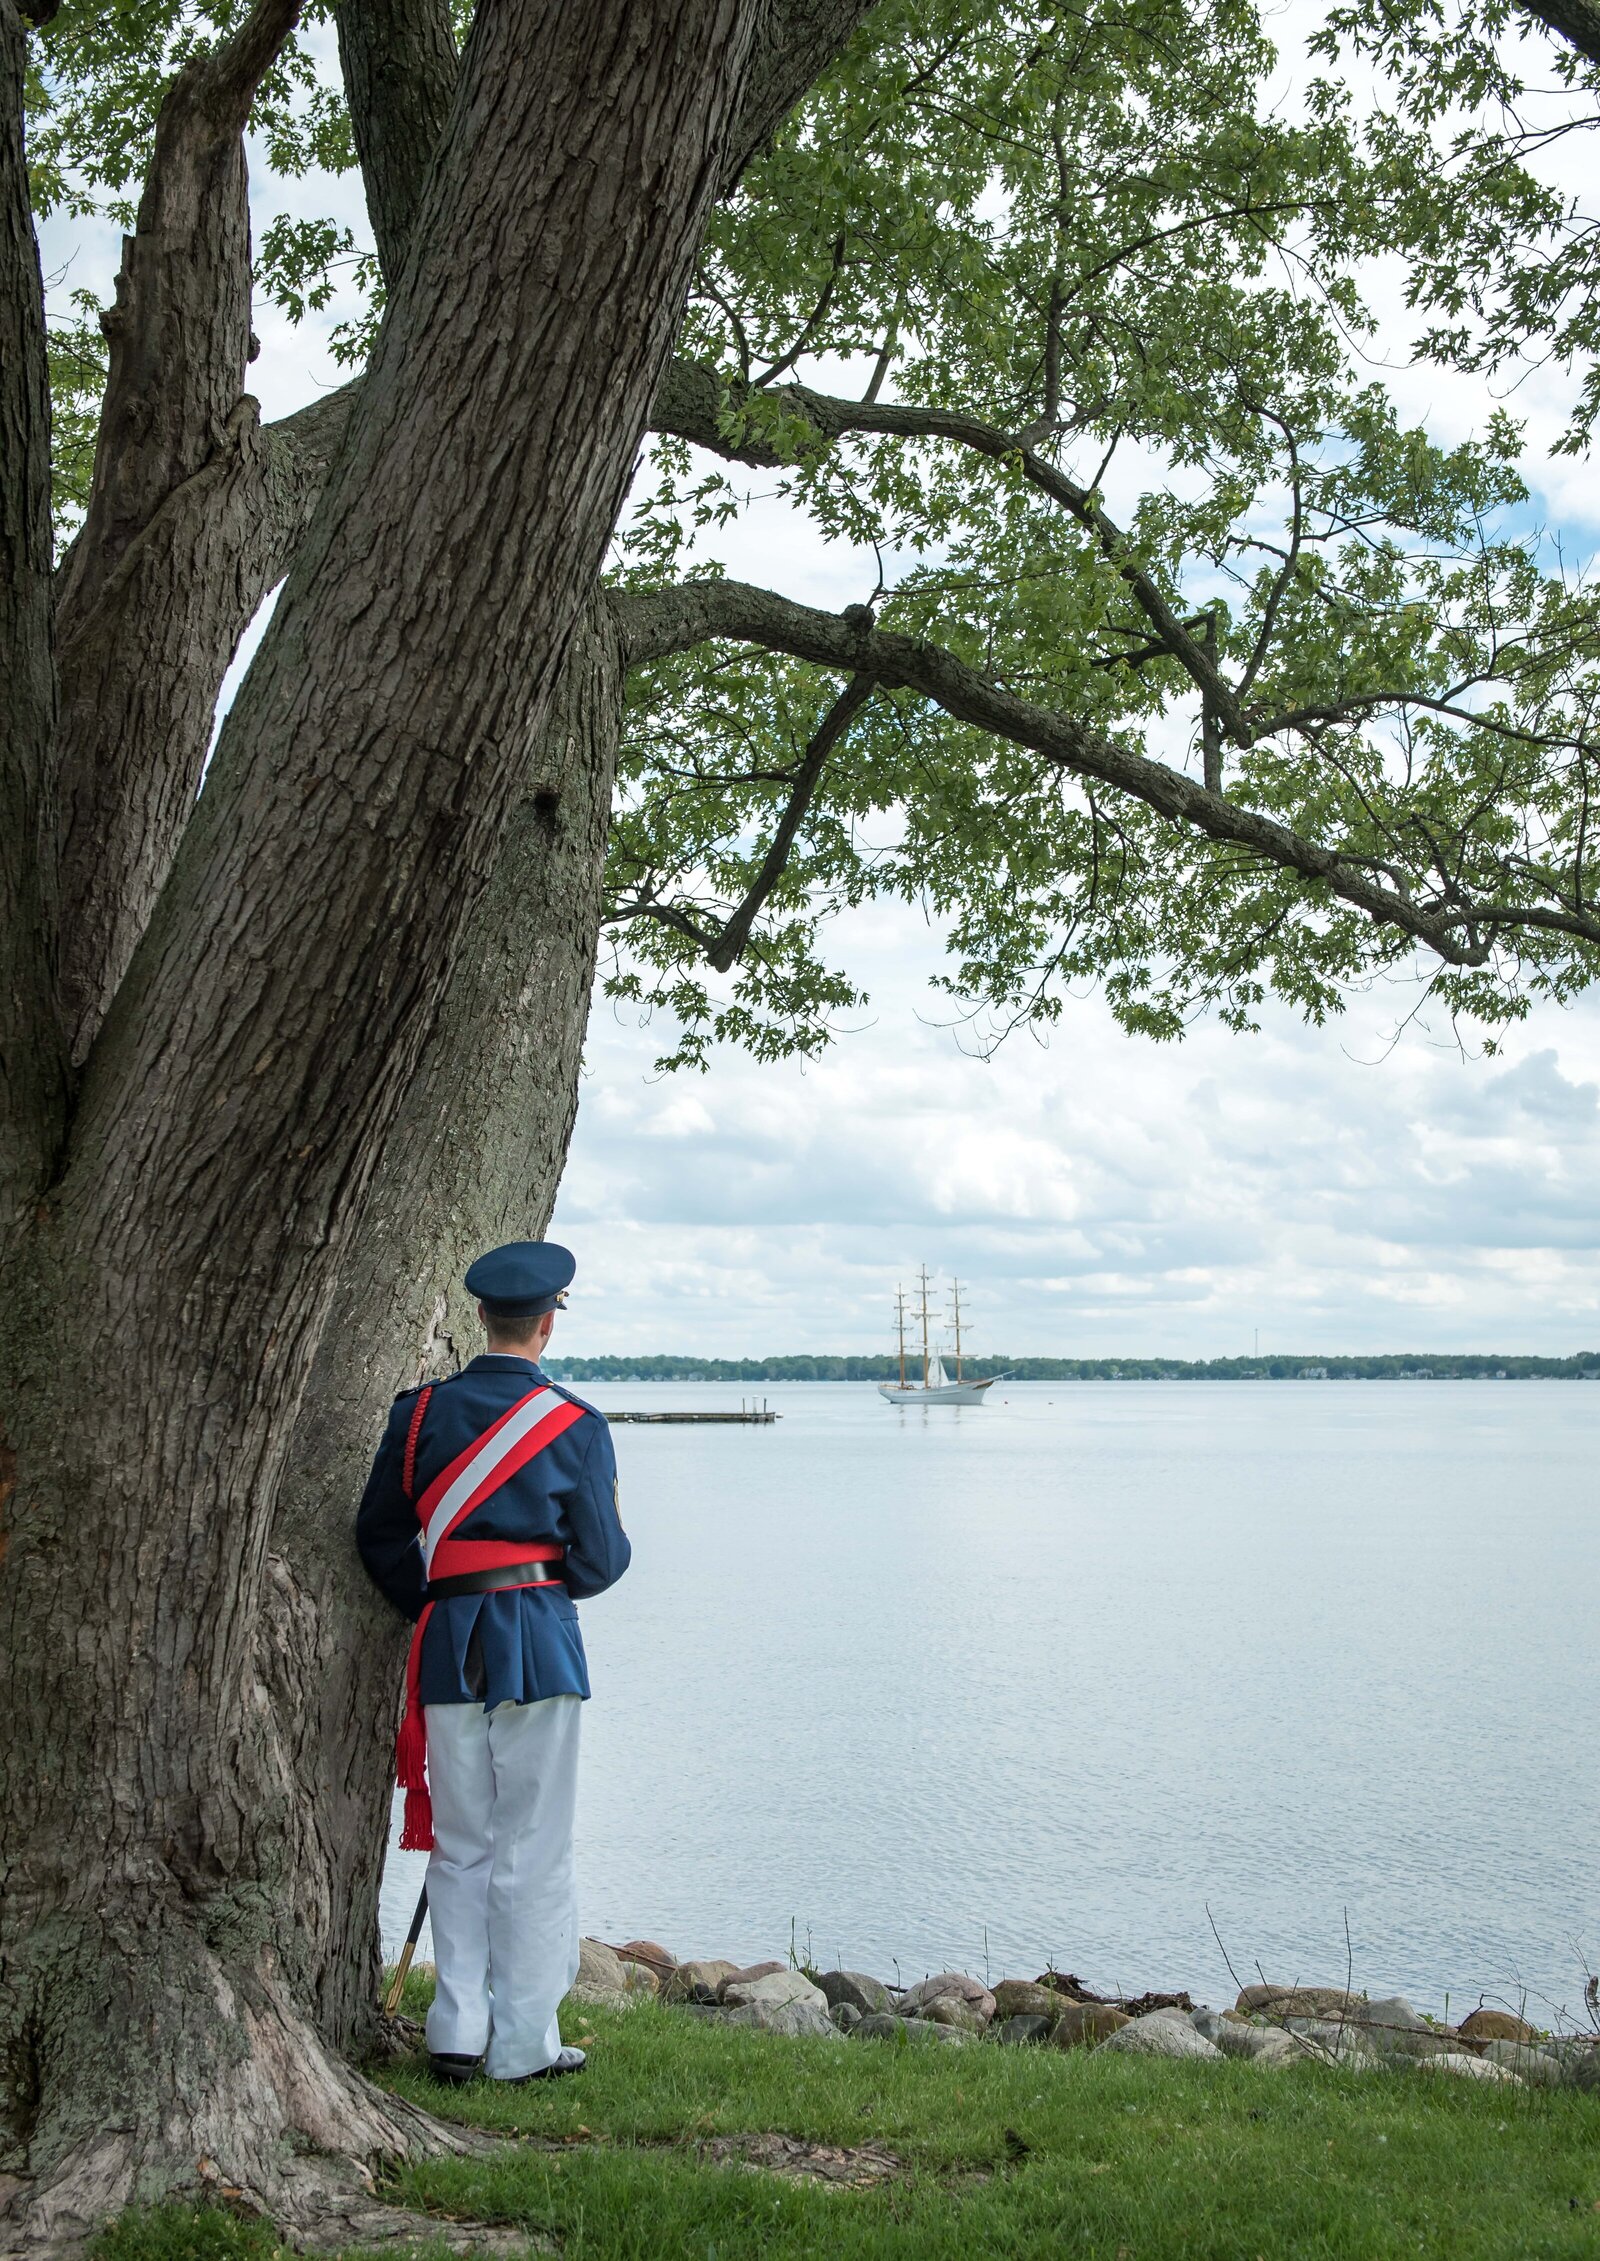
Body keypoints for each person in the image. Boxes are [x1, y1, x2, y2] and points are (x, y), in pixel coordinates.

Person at [357, 1239, 630, 2084]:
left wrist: (441, 1602)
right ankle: (522, 2045)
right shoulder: (578, 1426)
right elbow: (603, 1559)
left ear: (481, 1315)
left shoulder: (418, 1416)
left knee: (463, 1842)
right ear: (549, 1323)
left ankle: (455, 2033)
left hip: (445, 1649)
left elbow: (378, 1536)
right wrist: (538, 1587)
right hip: (539, 1647)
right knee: (534, 1849)